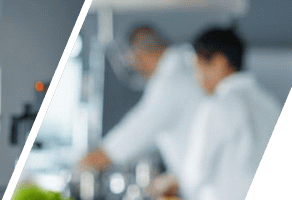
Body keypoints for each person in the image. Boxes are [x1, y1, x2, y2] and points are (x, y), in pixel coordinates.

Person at [178, 27, 280, 200]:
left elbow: (192, 177)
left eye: (198, 66)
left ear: (219, 62)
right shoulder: (270, 105)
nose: (196, 76)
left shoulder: (218, 106)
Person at [80, 25, 205, 184]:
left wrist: (91, 160)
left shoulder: (170, 82)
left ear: (139, 53)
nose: (132, 64)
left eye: (130, 57)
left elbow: (134, 134)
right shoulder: (184, 67)